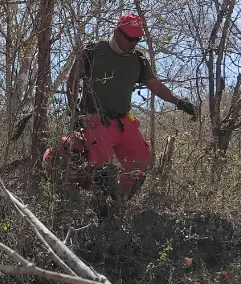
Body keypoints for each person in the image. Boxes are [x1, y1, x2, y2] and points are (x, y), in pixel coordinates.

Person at [65, 13, 196, 202]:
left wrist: (179, 102)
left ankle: (119, 200)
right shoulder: (93, 50)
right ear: (117, 31)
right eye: (129, 37)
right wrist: (76, 113)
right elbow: (72, 82)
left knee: (141, 158)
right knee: (102, 168)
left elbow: (156, 85)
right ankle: (100, 206)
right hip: (96, 119)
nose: (133, 42)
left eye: (137, 38)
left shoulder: (138, 59)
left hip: (123, 121)